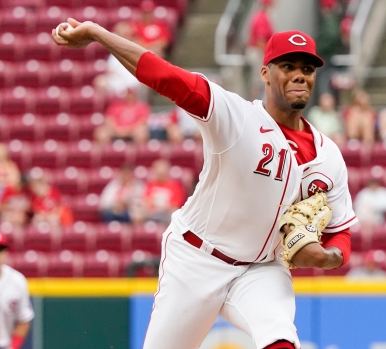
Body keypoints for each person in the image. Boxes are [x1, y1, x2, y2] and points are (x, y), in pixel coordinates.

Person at [53, 21, 357, 349]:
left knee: (280, 339)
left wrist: (330, 257)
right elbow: (163, 75)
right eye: (287, 66)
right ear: (265, 73)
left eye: (307, 68)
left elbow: (340, 231)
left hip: (261, 268)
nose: (300, 75)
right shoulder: (235, 117)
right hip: (198, 259)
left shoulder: (329, 157)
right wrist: (98, 34)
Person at [245, 0, 274, 100]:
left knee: (259, 81)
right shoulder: (262, 17)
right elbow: (260, 40)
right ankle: (253, 104)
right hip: (258, 52)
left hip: (255, 51)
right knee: (259, 81)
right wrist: (267, 56)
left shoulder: (258, 16)